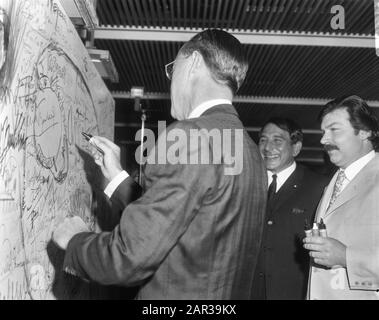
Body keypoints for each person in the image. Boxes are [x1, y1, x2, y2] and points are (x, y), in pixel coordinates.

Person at [52, 29, 267, 299]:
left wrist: (75, 241)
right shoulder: (249, 150)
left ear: (194, 63)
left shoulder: (189, 135)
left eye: (171, 70)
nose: (169, 81)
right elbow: (189, 223)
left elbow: (129, 258)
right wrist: (117, 178)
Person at [303, 95, 379, 299]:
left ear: (364, 132)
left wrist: (346, 257)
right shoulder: (334, 180)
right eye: (323, 132)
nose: (323, 140)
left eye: (334, 130)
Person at [251, 117, 328, 300]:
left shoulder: (318, 187)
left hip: (295, 293)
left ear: (296, 148)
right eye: (263, 140)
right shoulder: (245, 184)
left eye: (277, 141)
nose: (268, 148)